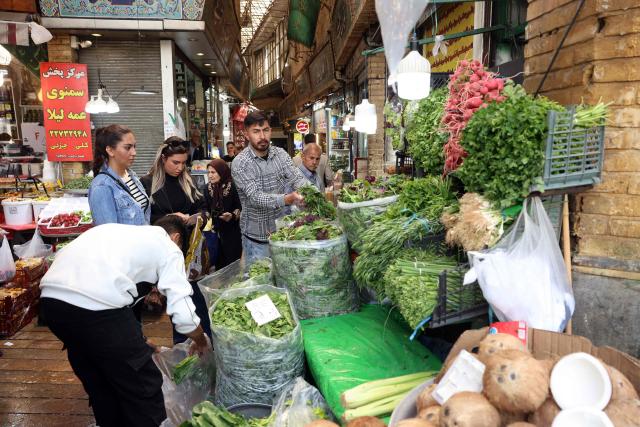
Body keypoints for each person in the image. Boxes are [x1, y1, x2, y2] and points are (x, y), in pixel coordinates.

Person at [39, 217, 210, 427]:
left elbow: (118, 296)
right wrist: (200, 339)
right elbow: (184, 315)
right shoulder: (168, 246)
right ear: (176, 238)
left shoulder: (120, 233)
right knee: (144, 385)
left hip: (52, 304)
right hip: (94, 307)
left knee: (101, 381)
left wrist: (138, 341)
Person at [141, 137, 211, 345]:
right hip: (164, 251)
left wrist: (195, 218)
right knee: (175, 300)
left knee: (197, 300)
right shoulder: (147, 184)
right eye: (175, 163)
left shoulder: (189, 181)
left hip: (192, 251)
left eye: (184, 163)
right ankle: (183, 345)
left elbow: (205, 210)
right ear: (163, 159)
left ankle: (204, 343)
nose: (180, 168)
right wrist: (172, 219)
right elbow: (144, 221)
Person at [231, 111, 307, 265]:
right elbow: (255, 197)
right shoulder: (240, 163)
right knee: (260, 284)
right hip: (256, 239)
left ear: (271, 130)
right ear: (246, 134)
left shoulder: (280, 155)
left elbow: (297, 178)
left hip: (280, 235)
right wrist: (287, 199)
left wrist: (312, 194)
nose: (262, 136)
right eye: (256, 131)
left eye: (265, 130)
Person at [89, 125, 150, 226]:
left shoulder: (132, 175)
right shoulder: (102, 187)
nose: (134, 152)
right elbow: (108, 233)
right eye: (127, 147)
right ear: (110, 150)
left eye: (134, 147)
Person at [203, 159, 242, 269]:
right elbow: (204, 206)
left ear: (222, 171)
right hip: (215, 232)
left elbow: (240, 207)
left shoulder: (233, 186)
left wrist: (232, 215)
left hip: (232, 232)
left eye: (213, 172)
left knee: (233, 263)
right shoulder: (207, 188)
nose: (210, 175)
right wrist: (206, 214)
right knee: (218, 264)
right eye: (208, 172)